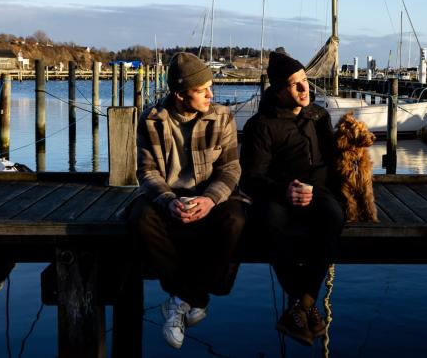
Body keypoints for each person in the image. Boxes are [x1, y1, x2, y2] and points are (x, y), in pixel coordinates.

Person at [128, 52, 245, 349]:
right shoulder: (152, 121)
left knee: (236, 220)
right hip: (170, 196)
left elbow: (231, 169)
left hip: (212, 196)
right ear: (180, 94)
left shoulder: (223, 117)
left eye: (210, 87)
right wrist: (168, 201)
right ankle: (194, 296)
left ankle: (180, 299)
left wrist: (208, 200)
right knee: (139, 219)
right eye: (202, 89)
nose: (211, 94)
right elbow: (147, 171)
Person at [240, 52, 345, 346]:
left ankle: (303, 303)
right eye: (294, 84)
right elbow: (250, 178)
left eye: (305, 81)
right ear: (277, 90)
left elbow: (329, 163)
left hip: (315, 192)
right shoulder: (260, 125)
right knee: (270, 220)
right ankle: (306, 303)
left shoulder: (319, 117)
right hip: (276, 196)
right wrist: (284, 190)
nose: (304, 89)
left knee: (334, 216)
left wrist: (313, 187)